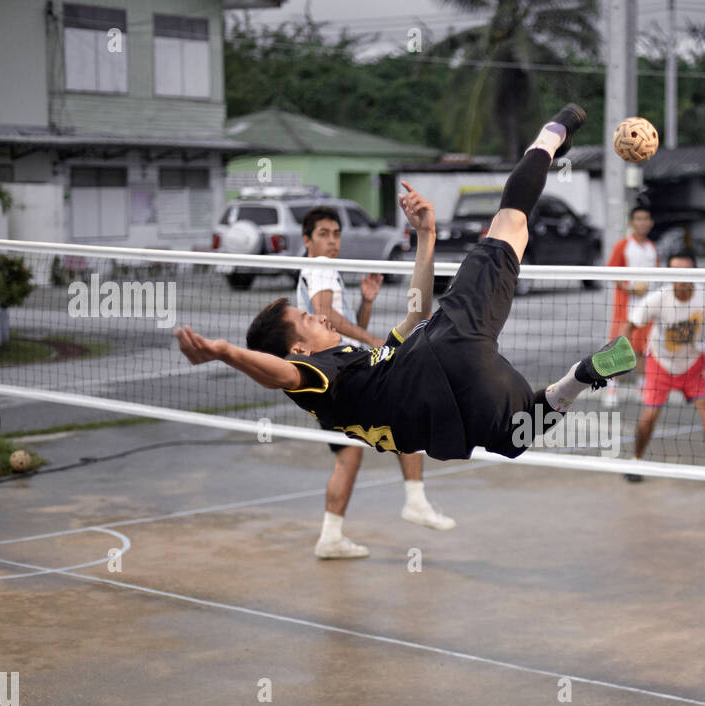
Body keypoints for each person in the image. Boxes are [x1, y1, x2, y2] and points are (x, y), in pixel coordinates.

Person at [175, 105, 637, 466]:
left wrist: (426, 235)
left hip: (460, 403)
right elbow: (279, 374)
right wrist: (225, 352)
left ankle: (576, 380)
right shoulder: (313, 379)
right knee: (511, 224)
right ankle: (553, 134)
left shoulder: (358, 367)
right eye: (304, 319)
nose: (315, 314)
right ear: (297, 349)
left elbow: (414, 312)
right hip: (451, 339)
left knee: (516, 436)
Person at [297, 206, 454, 561]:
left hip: (334, 375)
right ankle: (415, 500)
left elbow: (338, 323)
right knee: (403, 411)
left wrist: (366, 303)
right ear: (307, 240)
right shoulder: (319, 269)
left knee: (351, 455)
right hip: (334, 376)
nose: (332, 240)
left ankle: (331, 536)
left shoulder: (328, 272)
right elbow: (327, 316)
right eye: (324, 234)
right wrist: (372, 337)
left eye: (336, 233)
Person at [619, 249, 705, 485]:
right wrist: (623, 351)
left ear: (694, 272)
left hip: (694, 362)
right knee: (650, 415)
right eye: (676, 272)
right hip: (660, 362)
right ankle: (635, 461)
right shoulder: (658, 298)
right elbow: (629, 325)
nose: (681, 278)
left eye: (686, 272)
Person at [601, 206, 659, 408]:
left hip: (647, 308)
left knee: (644, 350)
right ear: (632, 223)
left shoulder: (652, 248)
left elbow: (657, 276)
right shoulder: (623, 246)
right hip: (626, 308)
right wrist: (630, 287)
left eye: (646, 219)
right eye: (638, 219)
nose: (642, 223)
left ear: (650, 223)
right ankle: (611, 388)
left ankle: (642, 388)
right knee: (619, 348)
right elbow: (611, 272)